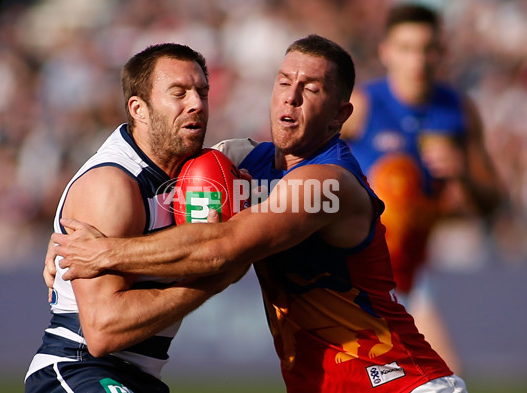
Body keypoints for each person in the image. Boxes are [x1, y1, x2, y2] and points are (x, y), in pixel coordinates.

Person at [47, 35, 468, 392]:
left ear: (340, 114)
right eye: (284, 81)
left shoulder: (327, 183)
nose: (291, 96)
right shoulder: (248, 163)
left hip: (399, 381)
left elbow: (223, 246)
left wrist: (104, 253)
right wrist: (66, 230)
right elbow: (166, 169)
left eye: (312, 88)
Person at [25, 43, 246, 393]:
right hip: (80, 368)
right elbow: (102, 331)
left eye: (202, 91)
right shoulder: (111, 186)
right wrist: (213, 278)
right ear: (138, 109)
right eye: (179, 93)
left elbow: (299, 192)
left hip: (139, 377)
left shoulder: (206, 170)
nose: (196, 104)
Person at [340, 4, 503, 373]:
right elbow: (303, 168)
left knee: (446, 380)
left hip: (411, 277)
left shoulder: (457, 111)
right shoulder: (362, 106)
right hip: (354, 274)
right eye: (406, 48)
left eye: (427, 49)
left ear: (440, 53)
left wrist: (461, 172)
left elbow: (492, 200)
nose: (417, 60)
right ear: (386, 51)